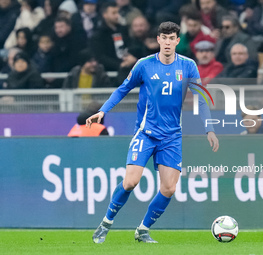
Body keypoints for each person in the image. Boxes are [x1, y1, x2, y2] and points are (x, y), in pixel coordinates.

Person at [86, 21, 219, 244]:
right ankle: (106, 222)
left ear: (177, 41)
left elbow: (201, 99)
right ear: (158, 39)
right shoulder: (144, 65)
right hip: (146, 133)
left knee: (169, 188)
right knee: (131, 182)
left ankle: (143, 229)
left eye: (172, 38)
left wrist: (210, 129)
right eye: (163, 38)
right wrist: (103, 111)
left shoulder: (188, 66)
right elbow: (122, 89)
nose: (167, 42)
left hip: (172, 136)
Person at [89, 2, 130, 72]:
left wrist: (131, 57)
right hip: (108, 73)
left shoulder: (124, 30)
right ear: (105, 15)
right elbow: (100, 56)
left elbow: (130, 45)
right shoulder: (98, 35)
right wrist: (119, 65)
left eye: (118, 12)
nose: (117, 16)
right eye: (114, 13)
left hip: (127, 69)